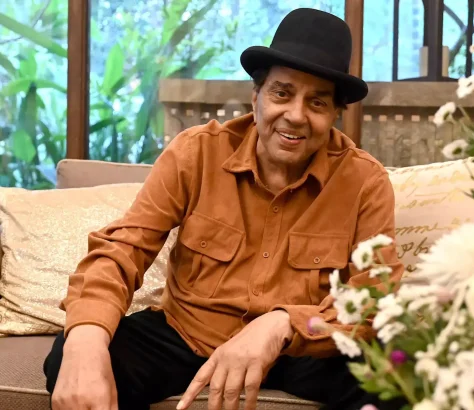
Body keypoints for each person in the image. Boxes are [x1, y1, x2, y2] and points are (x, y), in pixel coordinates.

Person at [43, 8, 405, 410]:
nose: (295, 115)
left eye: (317, 102)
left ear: (334, 114)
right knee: (72, 358)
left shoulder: (365, 181)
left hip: (302, 350)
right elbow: (124, 249)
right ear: (256, 96)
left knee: (399, 372)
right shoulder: (196, 153)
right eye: (281, 93)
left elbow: (373, 297)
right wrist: (86, 337)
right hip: (189, 336)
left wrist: (282, 323)